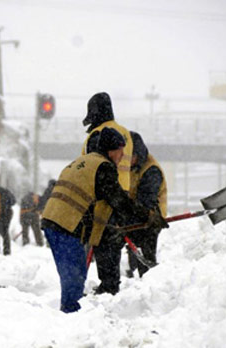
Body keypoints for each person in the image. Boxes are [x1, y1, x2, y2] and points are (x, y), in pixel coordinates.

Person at [41, 127, 164, 313]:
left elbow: (106, 199)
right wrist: (146, 215)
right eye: (120, 150)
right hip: (65, 224)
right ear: (110, 150)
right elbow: (118, 201)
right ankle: (70, 319)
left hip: (55, 220)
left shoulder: (85, 161)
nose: (123, 155)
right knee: (74, 277)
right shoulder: (103, 167)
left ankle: (70, 315)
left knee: (75, 274)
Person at [81, 92, 135, 295]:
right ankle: (110, 283)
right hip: (122, 193)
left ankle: (107, 285)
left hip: (103, 193)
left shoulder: (98, 134)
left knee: (102, 240)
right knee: (113, 240)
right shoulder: (124, 132)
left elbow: (95, 166)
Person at [125, 132, 168, 278]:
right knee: (134, 254)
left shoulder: (151, 170)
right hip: (135, 214)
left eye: (131, 156)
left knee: (146, 253)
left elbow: (146, 201)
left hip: (152, 218)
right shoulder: (130, 167)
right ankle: (134, 276)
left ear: (139, 153)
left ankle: (149, 281)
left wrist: (125, 212)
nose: (127, 161)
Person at [82, 92, 133, 191]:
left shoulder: (99, 133)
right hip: (123, 191)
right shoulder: (125, 132)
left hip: (104, 195)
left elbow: (93, 167)